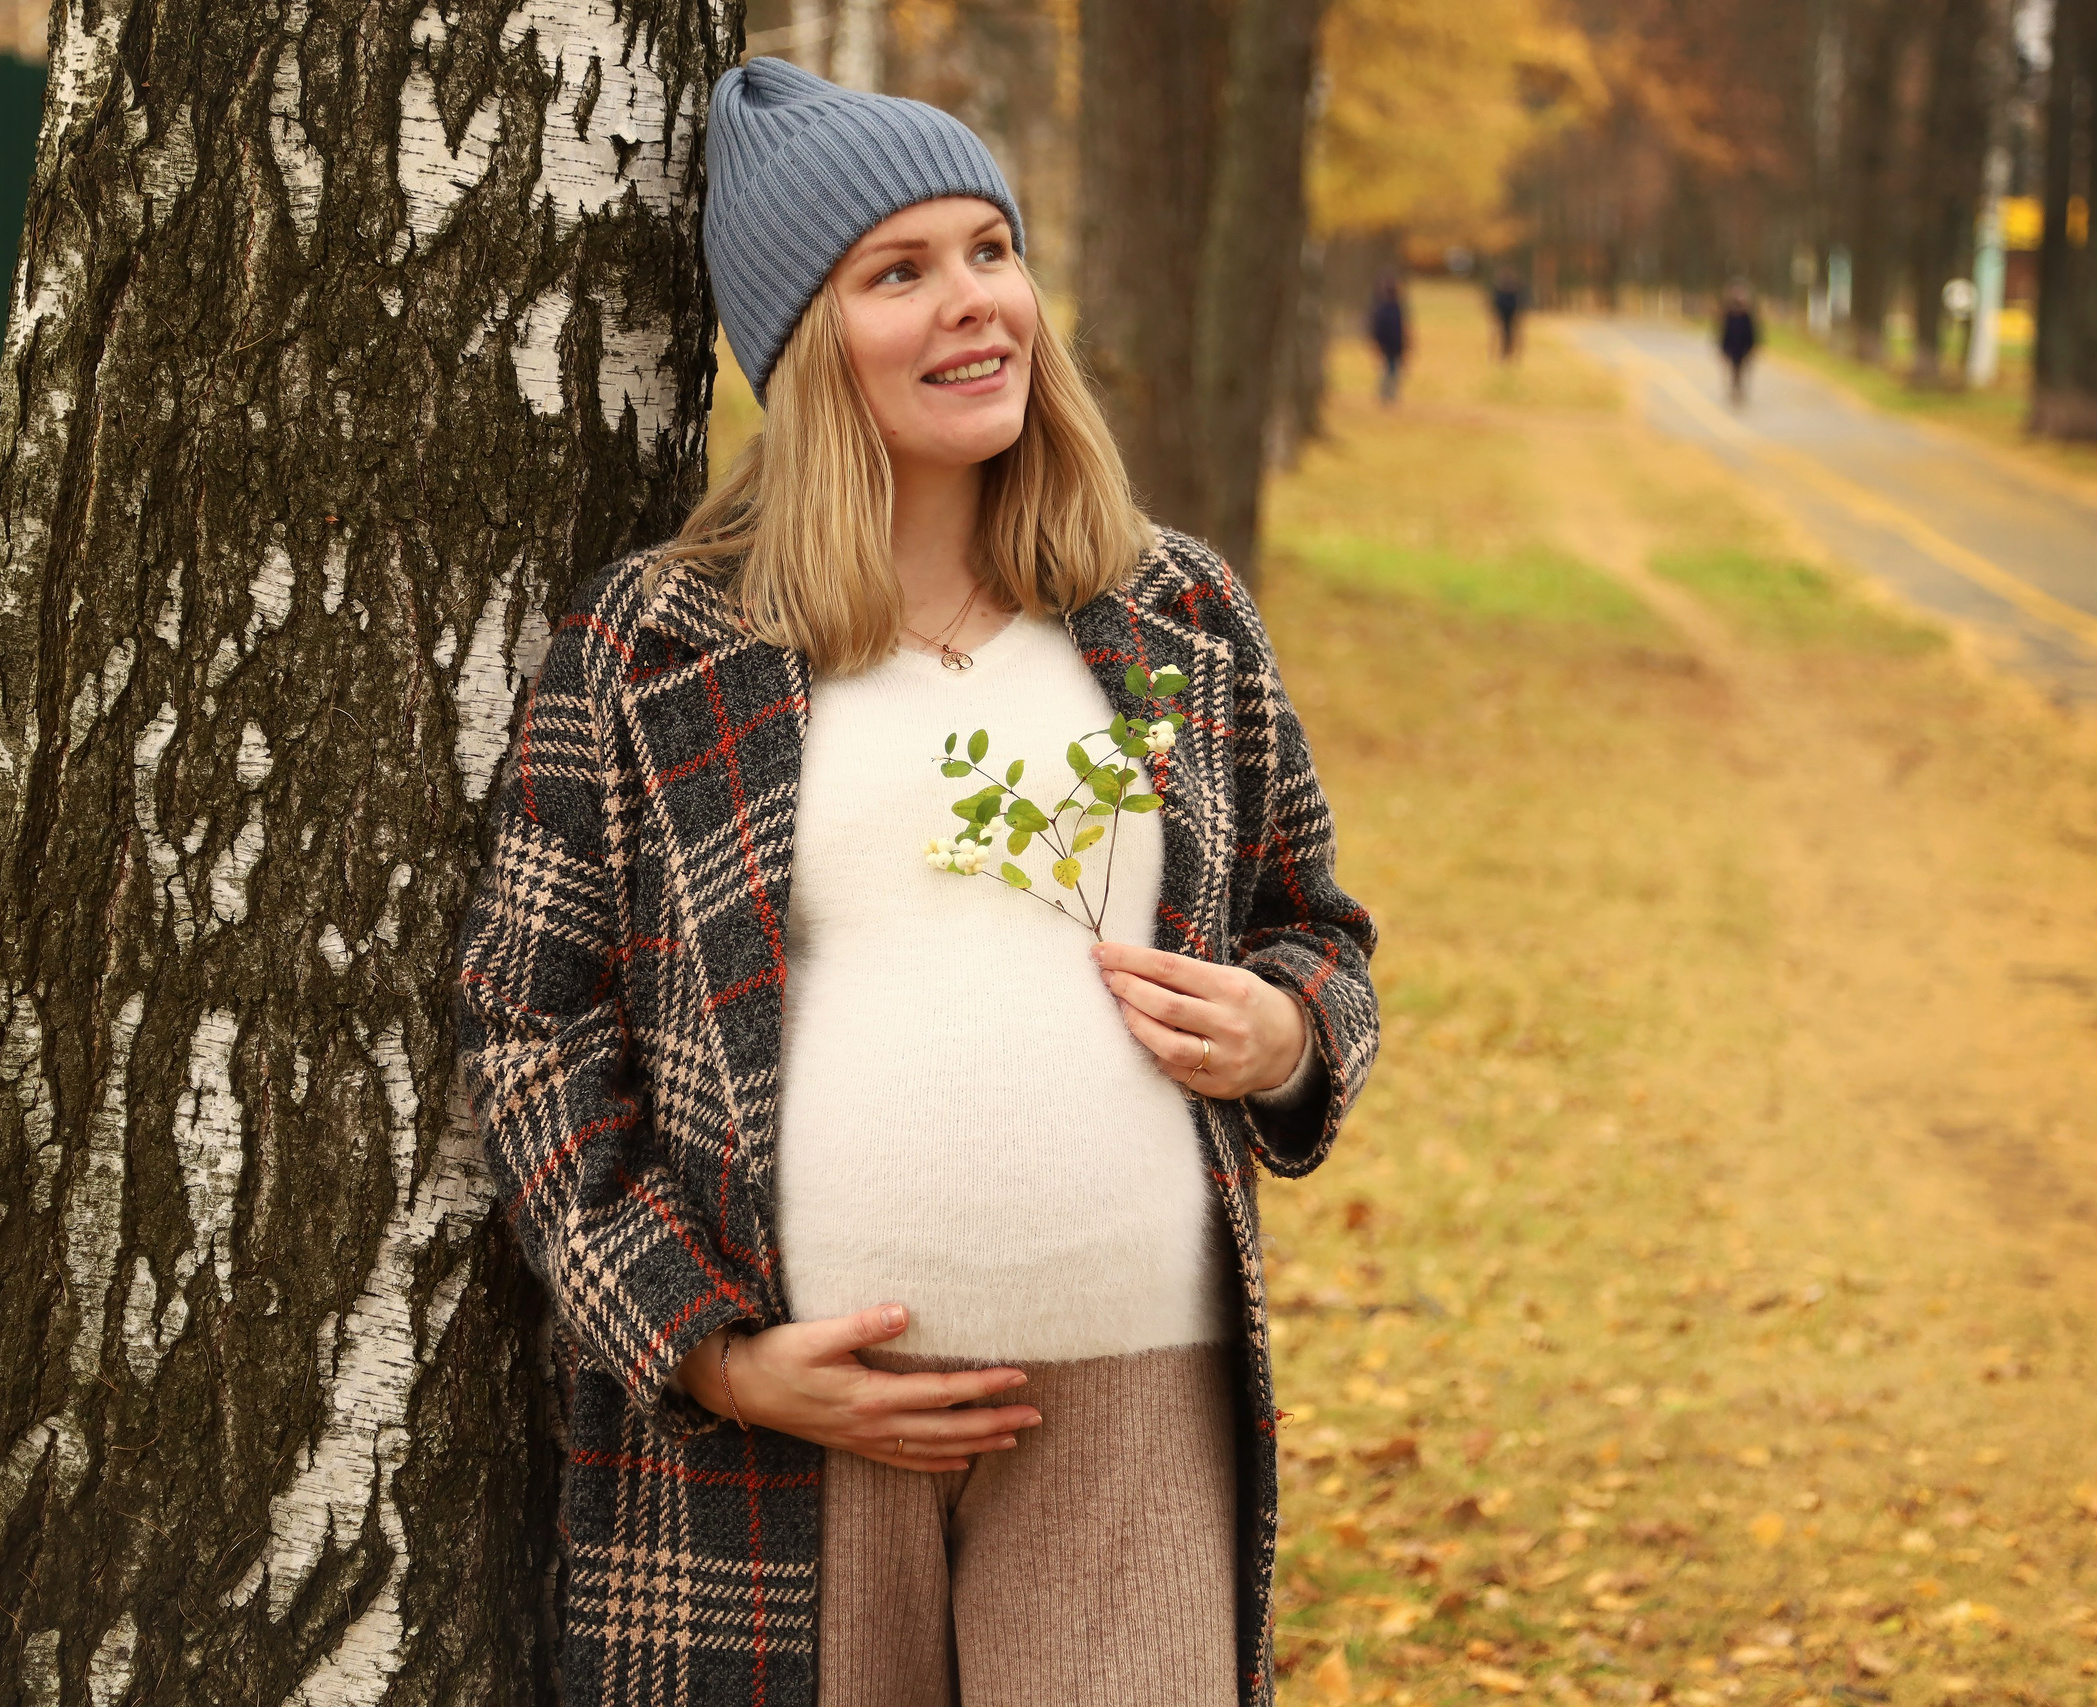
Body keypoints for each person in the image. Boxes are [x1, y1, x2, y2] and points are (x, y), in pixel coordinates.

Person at [456, 56, 1377, 1707]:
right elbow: (529, 1025)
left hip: (1135, 1398)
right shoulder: (660, 643)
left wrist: (1285, 1037)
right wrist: (712, 1353)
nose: (974, 305)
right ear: (809, 342)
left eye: (989, 250)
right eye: (900, 272)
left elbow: (1319, 931)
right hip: (792, 1441)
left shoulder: (1166, 613)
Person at [1368, 270, 1410, 404]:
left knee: (1391, 370)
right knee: (1389, 370)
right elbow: (1380, 328)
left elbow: (1401, 327)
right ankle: (1387, 395)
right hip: (1388, 345)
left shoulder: (1394, 306)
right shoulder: (1385, 307)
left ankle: (1389, 395)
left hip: (1394, 344)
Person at [1719, 281, 1760, 404]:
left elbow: (1752, 331)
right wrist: (1723, 347)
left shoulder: (1747, 314)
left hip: (1744, 346)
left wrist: (1753, 345)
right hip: (1732, 346)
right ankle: (1735, 386)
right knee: (1734, 367)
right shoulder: (1728, 314)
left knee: (1741, 367)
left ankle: (1738, 386)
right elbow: (1724, 331)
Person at [1490, 264, 1525, 360]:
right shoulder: (1511, 287)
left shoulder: (1501, 287)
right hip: (1507, 310)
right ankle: (1507, 350)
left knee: (1507, 331)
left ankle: (1507, 350)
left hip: (1507, 310)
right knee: (1507, 331)